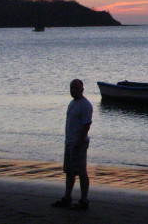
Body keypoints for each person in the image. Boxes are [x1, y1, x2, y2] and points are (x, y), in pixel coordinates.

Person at [51, 79, 93, 210]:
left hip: (78, 144)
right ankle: (67, 197)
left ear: (82, 89)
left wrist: (79, 142)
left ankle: (84, 200)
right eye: (71, 88)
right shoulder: (72, 103)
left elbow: (87, 125)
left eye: (76, 88)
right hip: (69, 143)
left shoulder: (85, 105)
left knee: (81, 172)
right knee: (69, 172)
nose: (73, 91)